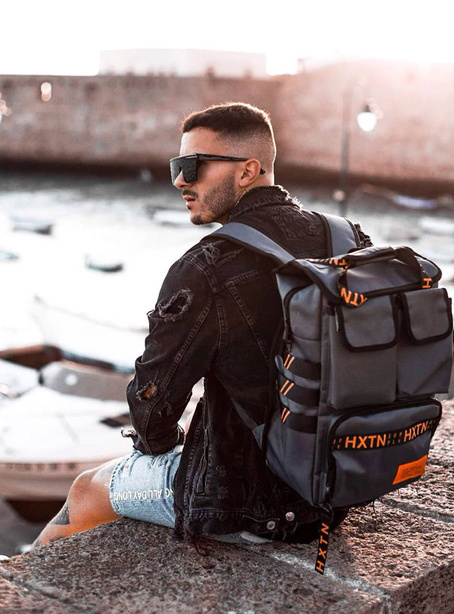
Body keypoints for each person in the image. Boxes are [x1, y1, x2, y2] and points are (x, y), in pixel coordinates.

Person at [34, 102, 369, 549]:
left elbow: (152, 406)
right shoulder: (348, 238)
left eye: (192, 166)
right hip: (336, 486)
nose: (179, 181)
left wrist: (164, 445)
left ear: (247, 171)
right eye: (177, 166)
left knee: (85, 489)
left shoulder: (205, 267)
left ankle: (23, 588)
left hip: (245, 506)